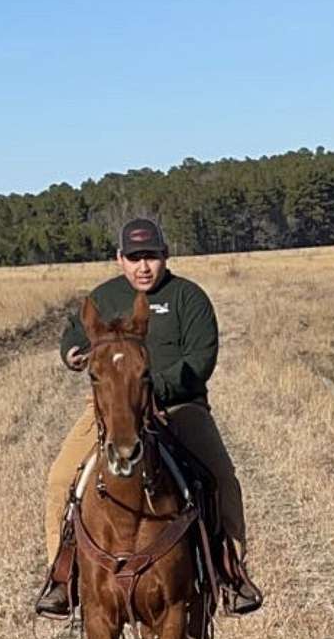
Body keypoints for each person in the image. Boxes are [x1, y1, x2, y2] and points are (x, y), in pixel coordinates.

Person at [35, 217, 262, 618]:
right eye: (135, 257)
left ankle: (232, 572)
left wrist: (152, 388)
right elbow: (75, 331)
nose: (144, 266)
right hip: (112, 410)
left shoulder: (189, 298)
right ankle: (61, 577)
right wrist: (71, 351)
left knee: (220, 477)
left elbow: (200, 360)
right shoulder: (104, 296)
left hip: (180, 406)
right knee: (59, 478)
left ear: (165, 256)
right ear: (119, 259)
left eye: (152, 257)